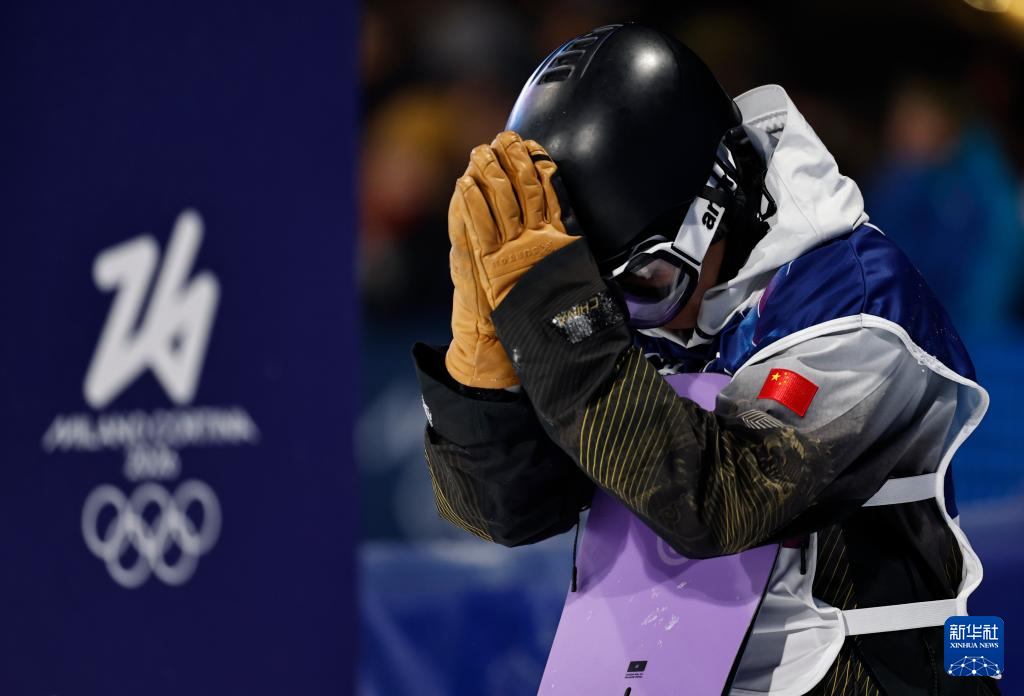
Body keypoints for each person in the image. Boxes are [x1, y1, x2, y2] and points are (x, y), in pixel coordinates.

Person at [412, 23, 998, 695]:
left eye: (650, 282)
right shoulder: (612, 315)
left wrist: (565, 315)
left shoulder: (857, 305)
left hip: (895, 677)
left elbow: (722, 503)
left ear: (725, 196)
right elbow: (509, 513)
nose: (639, 322)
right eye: (604, 296)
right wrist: (486, 375)